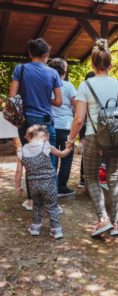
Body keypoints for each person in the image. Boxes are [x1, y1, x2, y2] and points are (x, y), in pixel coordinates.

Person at [66, 39, 118, 237]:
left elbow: (79, 119)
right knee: (114, 179)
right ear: (110, 64)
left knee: (91, 178)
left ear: (93, 64)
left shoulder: (86, 86)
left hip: (94, 137)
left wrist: (70, 140)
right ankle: (114, 224)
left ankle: (102, 218)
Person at [9, 38, 62, 211]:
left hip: (26, 122)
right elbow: (59, 101)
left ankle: (33, 201)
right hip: (46, 122)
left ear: (30, 53)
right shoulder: (53, 73)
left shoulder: (20, 69)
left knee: (29, 162)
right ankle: (52, 203)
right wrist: (46, 99)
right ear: (45, 54)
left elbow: (12, 97)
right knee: (50, 163)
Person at [15, 125, 72, 239]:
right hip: (49, 183)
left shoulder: (21, 151)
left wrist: (18, 187)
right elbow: (62, 154)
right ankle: (56, 230)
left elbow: (18, 172)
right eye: (47, 136)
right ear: (42, 136)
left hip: (33, 185)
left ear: (28, 137)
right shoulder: (46, 146)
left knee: (37, 205)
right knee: (52, 206)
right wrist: (70, 147)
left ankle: (35, 228)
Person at [49, 58, 77, 197]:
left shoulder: (47, 85)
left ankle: (52, 187)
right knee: (67, 158)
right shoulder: (69, 86)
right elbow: (75, 105)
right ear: (64, 72)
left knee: (52, 157)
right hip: (67, 127)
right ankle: (61, 187)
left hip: (51, 126)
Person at [78, 71, 95, 189]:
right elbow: (80, 116)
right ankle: (83, 179)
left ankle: (86, 179)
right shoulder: (84, 91)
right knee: (86, 155)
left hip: (90, 127)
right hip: (86, 128)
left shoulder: (85, 90)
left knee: (88, 155)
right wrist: (81, 137)